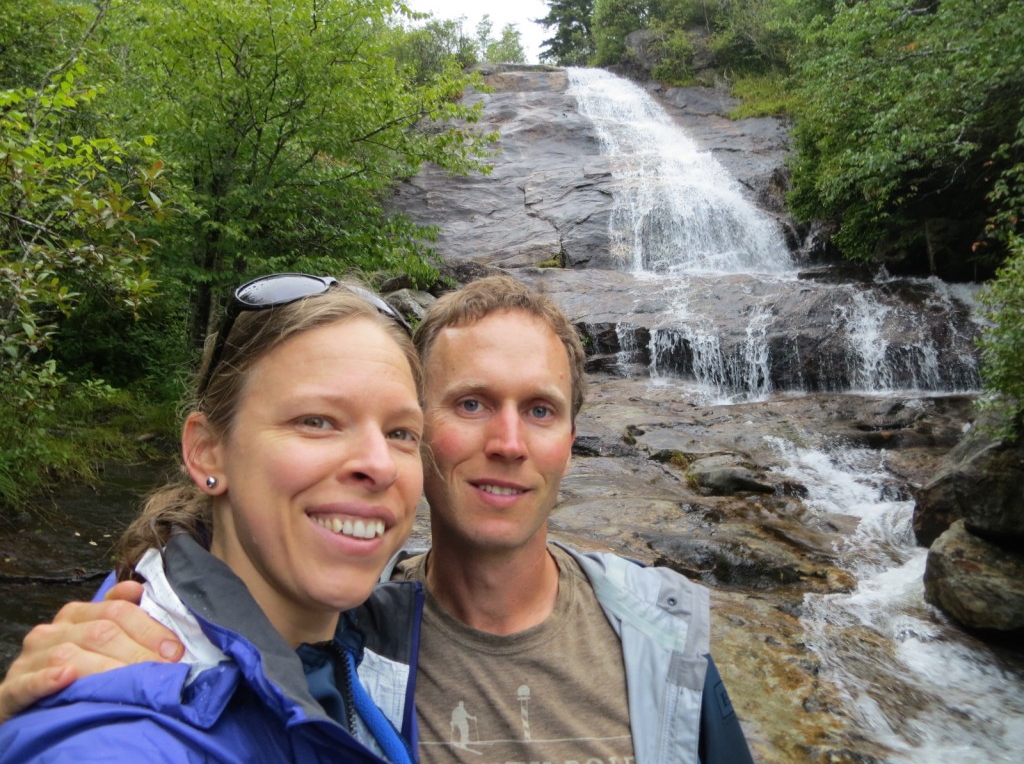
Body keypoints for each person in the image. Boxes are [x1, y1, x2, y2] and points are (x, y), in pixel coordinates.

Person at [1, 275, 755, 763]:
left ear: (571, 439)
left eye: (541, 410)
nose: (508, 443)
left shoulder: (660, 634)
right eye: (469, 403)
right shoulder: (358, 631)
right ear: (208, 450)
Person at [0, 274, 427, 763]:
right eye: (316, 421)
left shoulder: (370, 635)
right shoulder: (117, 739)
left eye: (401, 432)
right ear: (207, 453)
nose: (379, 464)